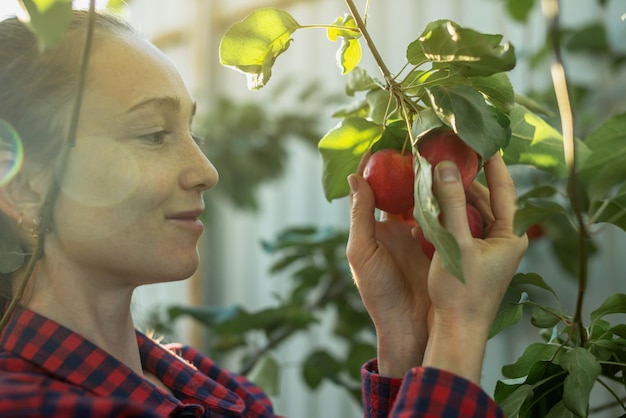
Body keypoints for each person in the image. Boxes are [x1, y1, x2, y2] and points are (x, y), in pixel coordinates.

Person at [0, 8, 527, 418]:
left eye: (192, 133)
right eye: (154, 134)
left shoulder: (208, 385)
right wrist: (458, 331)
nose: (206, 169)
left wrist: (407, 334)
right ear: (26, 185)